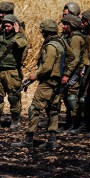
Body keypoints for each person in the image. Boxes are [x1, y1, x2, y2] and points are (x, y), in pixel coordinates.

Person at [15, 19, 67, 150]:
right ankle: (52, 140)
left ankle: (29, 138)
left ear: (46, 32)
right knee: (53, 110)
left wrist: (35, 76)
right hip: (57, 81)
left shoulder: (50, 46)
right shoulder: (62, 42)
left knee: (35, 109)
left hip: (48, 82)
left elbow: (47, 67)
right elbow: (71, 58)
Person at [0, 14, 27, 128]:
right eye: (4, 26)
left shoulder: (19, 37)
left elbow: (22, 44)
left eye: (8, 26)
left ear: (14, 26)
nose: (6, 28)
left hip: (12, 71)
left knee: (13, 96)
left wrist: (18, 32)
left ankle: (15, 119)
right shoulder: (1, 36)